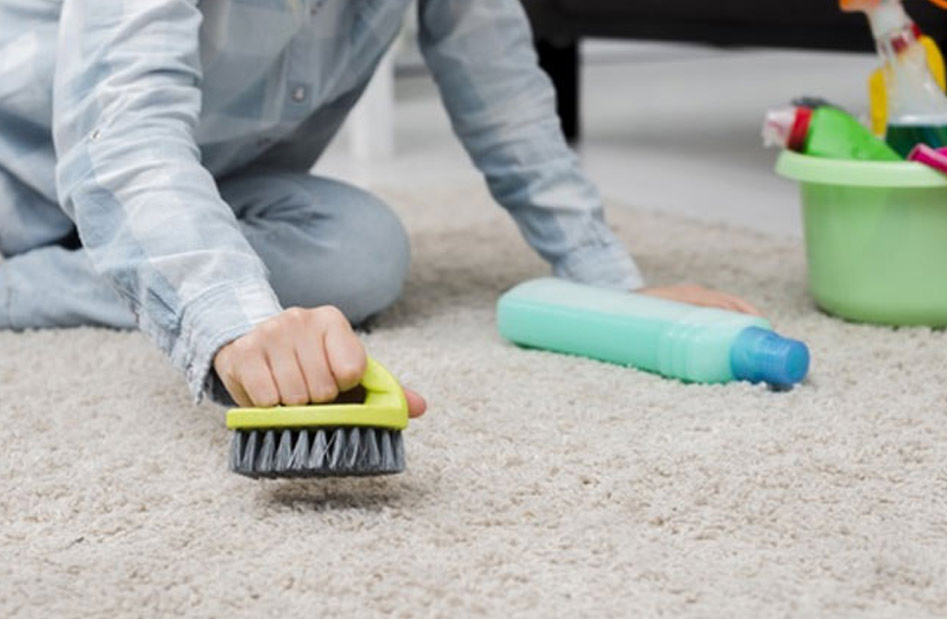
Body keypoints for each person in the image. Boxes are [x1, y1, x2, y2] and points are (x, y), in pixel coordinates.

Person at [0, 0, 761, 417]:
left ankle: (46, 281)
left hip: (204, 182)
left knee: (361, 250)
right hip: (21, 166)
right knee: (216, 275)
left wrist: (608, 280)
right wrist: (231, 322)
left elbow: (503, 93)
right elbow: (122, 138)